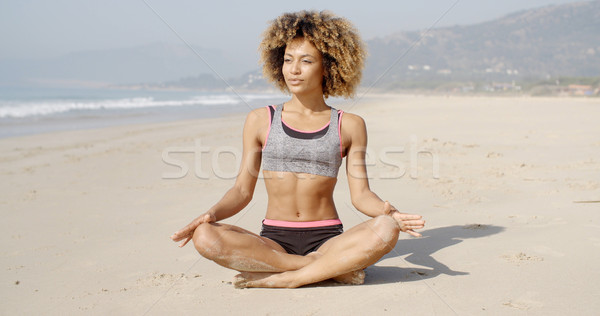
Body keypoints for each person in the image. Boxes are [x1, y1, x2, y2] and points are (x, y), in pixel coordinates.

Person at [170, 10, 425, 289]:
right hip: (273, 241)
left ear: (327, 66)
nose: (294, 69)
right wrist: (212, 214)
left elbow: (361, 196)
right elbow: (242, 192)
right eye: (288, 60)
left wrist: (391, 213)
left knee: (387, 228)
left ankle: (286, 278)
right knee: (205, 236)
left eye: (306, 61)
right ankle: (325, 270)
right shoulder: (259, 120)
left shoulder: (349, 125)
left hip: (328, 240)